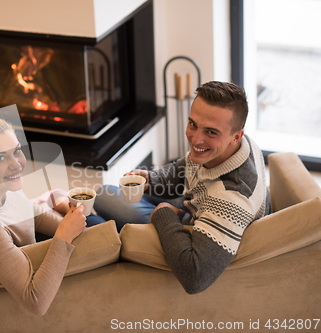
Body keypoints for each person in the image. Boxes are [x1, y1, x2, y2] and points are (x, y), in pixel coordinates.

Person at [94, 81, 272, 294]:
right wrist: (151, 179)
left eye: (211, 132)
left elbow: (194, 277)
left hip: (192, 230)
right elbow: (188, 166)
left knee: (102, 198)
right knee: (104, 193)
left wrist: (165, 216)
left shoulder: (231, 199)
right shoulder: (243, 144)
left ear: (236, 136)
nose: (196, 139)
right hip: (196, 205)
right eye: (193, 124)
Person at [0, 104, 87, 316]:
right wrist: (64, 235)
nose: (17, 165)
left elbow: (24, 209)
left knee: (92, 201)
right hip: (40, 282)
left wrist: (62, 218)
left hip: (36, 244)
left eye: (17, 152)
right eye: (0, 158)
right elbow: (36, 301)